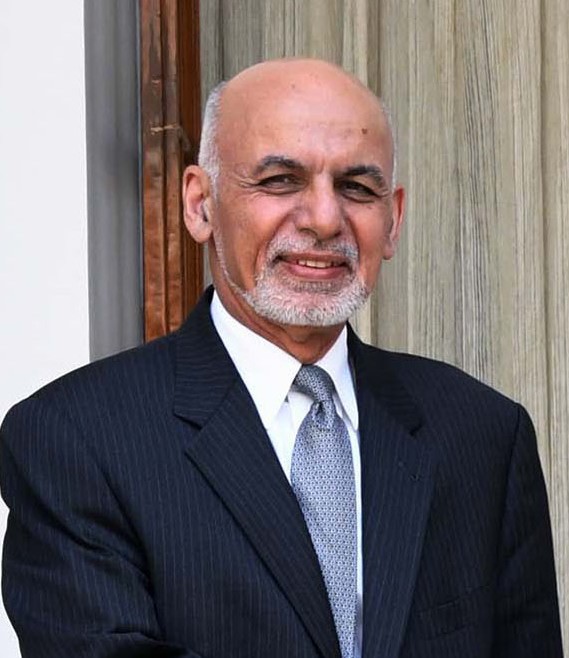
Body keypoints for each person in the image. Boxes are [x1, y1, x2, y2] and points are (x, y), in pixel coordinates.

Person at [0, 59, 562, 658]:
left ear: (393, 220)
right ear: (200, 204)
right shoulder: (77, 439)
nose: (323, 219)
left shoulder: (483, 435)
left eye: (357, 188)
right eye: (280, 181)